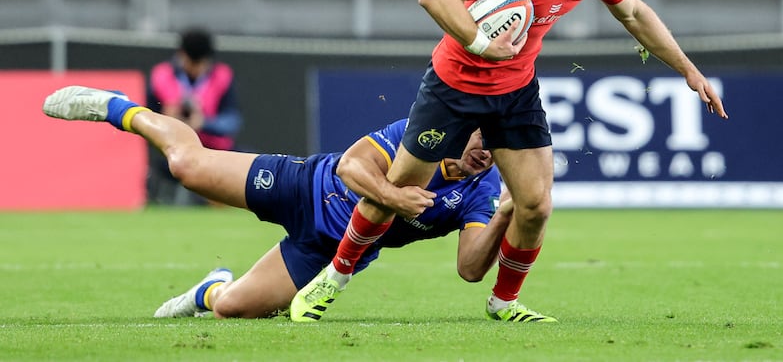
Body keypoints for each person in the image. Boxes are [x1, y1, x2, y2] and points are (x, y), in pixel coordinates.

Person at [290, 0, 729, 323]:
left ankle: (504, 302)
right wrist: (480, 42)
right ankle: (335, 277)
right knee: (397, 192)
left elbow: (634, 13)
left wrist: (689, 71)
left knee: (536, 204)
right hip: (454, 90)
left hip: (516, 92)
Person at [41, 85, 541, 320]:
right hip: (304, 185)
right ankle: (119, 108)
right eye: (482, 139)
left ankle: (208, 290)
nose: (487, 154)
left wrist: (503, 216)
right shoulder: (421, 138)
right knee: (186, 167)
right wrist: (393, 196)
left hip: (326, 253)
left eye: (498, 149)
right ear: (465, 127)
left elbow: (471, 270)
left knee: (231, 310)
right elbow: (350, 167)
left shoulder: (481, 193)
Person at [147, 28, 242, 205]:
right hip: (173, 152)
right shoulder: (161, 77)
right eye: (193, 62)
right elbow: (145, 116)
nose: (197, 68)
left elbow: (233, 122)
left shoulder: (222, 77)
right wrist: (165, 120)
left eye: (202, 63)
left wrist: (203, 122)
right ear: (182, 55)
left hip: (214, 152)